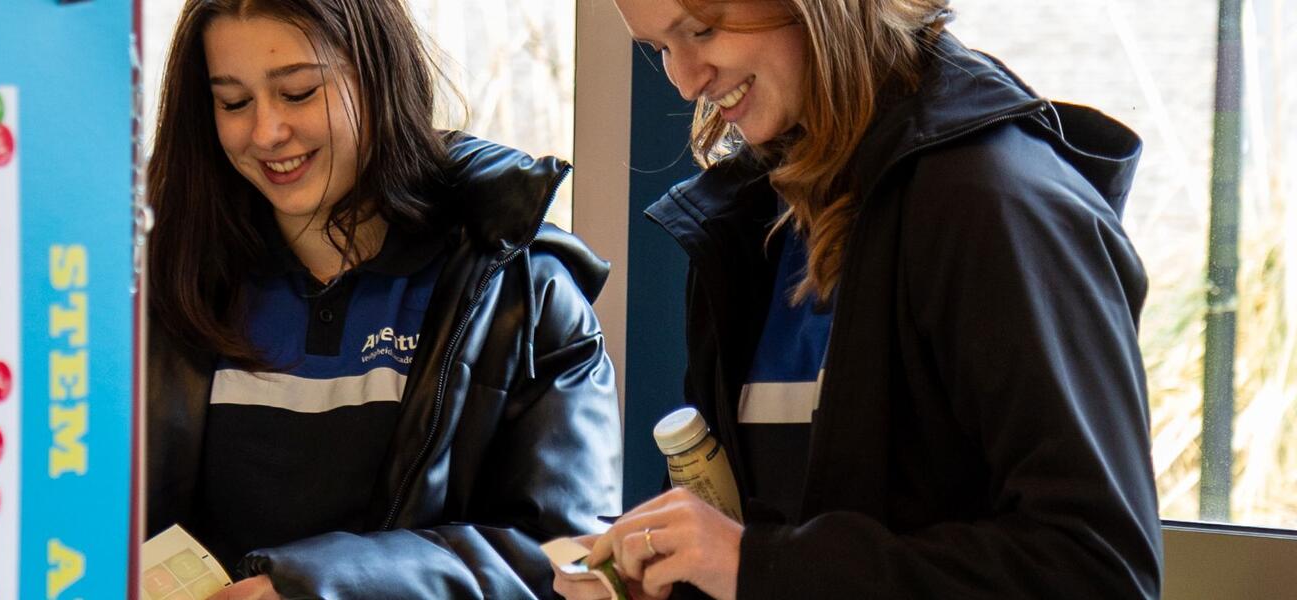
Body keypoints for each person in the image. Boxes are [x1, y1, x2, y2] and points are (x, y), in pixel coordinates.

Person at [558, 1, 1162, 598]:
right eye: (661, 48)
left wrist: (757, 566)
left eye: (702, 29)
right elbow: (755, 550)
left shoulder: (994, 205)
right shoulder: (747, 221)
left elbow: (1099, 571)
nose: (686, 81)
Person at [143, 0, 622, 597]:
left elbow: (573, 560)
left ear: (379, 76)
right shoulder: (160, 280)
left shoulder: (524, 291)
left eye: (297, 93)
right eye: (233, 102)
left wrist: (310, 586)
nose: (266, 131)